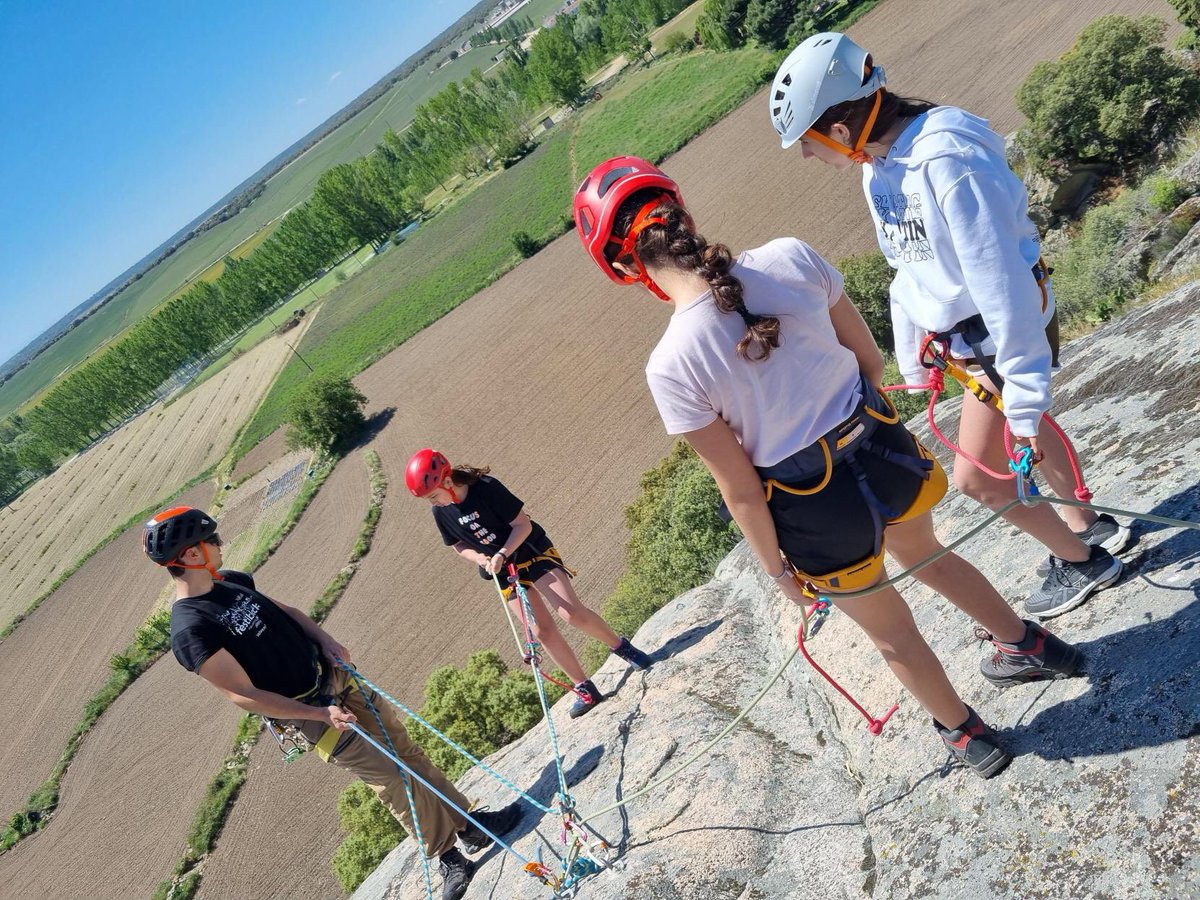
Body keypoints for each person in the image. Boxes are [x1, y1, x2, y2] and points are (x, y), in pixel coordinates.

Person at [572, 155, 1086, 777]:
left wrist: (775, 568)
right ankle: (1028, 642)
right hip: (884, 454)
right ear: (682, 215)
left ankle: (967, 735)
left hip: (815, 509)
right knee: (930, 556)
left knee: (891, 630)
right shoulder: (791, 255)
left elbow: (739, 487)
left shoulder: (671, 366)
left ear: (627, 266)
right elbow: (869, 361)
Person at [769, 32, 1130, 619]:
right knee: (1022, 431)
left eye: (806, 142)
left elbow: (1000, 280)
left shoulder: (946, 158)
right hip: (967, 335)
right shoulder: (879, 166)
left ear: (838, 128)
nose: (808, 157)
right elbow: (906, 265)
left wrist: (1026, 390)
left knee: (978, 480)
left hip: (998, 327)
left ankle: (1085, 562)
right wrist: (914, 353)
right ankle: (1089, 525)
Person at [145, 505, 518, 900]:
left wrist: (327, 641)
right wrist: (318, 713)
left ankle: (469, 826)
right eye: (212, 540)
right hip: (313, 714)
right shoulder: (191, 630)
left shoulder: (230, 582)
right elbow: (244, 695)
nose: (220, 544)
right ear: (189, 555)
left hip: (336, 678)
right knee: (390, 778)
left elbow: (287, 614)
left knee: (407, 751)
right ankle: (447, 857)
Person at [406, 449, 653, 718]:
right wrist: (480, 558)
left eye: (433, 496)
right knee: (541, 631)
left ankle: (623, 648)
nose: (434, 503)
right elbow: (457, 545)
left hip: (530, 551)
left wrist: (502, 553)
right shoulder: (441, 512)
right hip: (502, 570)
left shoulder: (486, 488)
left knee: (570, 612)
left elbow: (522, 525)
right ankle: (584, 687)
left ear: (446, 481)